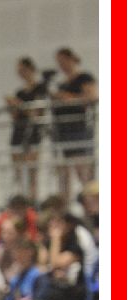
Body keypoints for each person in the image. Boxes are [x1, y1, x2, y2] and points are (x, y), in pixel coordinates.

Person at [50, 47, 98, 200]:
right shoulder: (61, 83)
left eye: (63, 61)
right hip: (63, 130)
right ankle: (66, 205)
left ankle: (92, 205)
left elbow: (92, 97)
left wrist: (68, 98)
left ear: (71, 59)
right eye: (59, 62)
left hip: (79, 128)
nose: (61, 65)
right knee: (64, 174)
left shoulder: (84, 77)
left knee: (83, 172)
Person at [4, 58, 47, 203]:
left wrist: (20, 105)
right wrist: (12, 106)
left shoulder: (40, 89)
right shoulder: (20, 92)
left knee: (31, 170)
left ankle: (32, 200)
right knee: (18, 171)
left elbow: (37, 113)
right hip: (18, 131)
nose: (21, 74)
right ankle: (21, 199)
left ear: (30, 69)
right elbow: (15, 116)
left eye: (23, 70)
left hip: (33, 132)